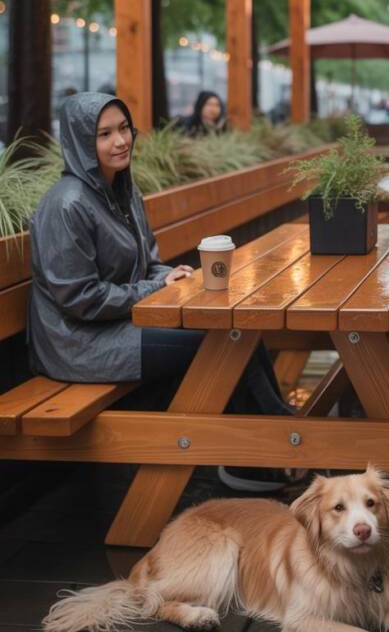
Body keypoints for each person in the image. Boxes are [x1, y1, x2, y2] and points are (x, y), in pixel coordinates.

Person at [29, 92, 298, 493]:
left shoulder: (124, 191)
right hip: (79, 344)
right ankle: (284, 442)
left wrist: (171, 273)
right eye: (104, 134)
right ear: (79, 141)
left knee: (236, 327)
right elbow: (81, 299)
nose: (120, 141)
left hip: (119, 325)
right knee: (227, 337)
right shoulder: (66, 206)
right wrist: (154, 286)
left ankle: (263, 455)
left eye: (123, 128)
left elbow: (146, 261)